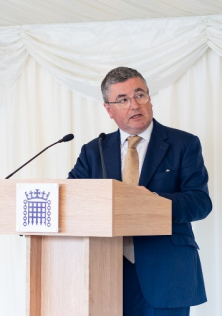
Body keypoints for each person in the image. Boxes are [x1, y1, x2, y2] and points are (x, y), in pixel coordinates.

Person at [68, 67, 212, 316]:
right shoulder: (94, 151)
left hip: (166, 271)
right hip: (106, 270)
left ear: (149, 98)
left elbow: (200, 202)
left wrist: (148, 204)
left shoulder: (183, 144)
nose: (134, 105)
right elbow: (70, 201)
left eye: (140, 95)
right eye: (123, 100)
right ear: (108, 109)